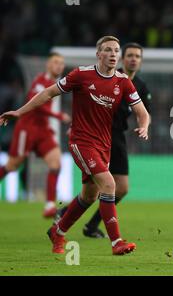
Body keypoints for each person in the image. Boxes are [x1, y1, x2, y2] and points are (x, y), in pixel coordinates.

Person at [0, 36, 150, 255]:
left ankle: (57, 231)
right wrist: (20, 112)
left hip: (104, 144)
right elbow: (48, 92)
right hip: (81, 141)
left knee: (89, 195)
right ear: (98, 54)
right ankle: (116, 241)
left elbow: (142, 113)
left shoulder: (123, 82)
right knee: (109, 185)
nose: (112, 54)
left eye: (116, 51)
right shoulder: (81, 75)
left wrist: (144, 126)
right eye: (107, 50)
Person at [56, 42, 152, 238]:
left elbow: (144, 112)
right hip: (94, 136)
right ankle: (110, 238)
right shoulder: (108, 75)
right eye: (130, 55)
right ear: (122, 59)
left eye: (137, 56)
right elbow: (89, 105)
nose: (133, 59)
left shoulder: (139, 86)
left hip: (117, 138)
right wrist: (77, 126)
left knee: (119, 188)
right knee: (103, 187)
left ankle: (81, 223)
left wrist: (144, 126)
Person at [0, 53, 71, 217]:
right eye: (55, 62)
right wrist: (58, 116)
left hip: (43, 131)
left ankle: (49, 205)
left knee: (56, 163)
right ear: (48, 65)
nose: (59, 66)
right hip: (27, 129)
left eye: (61, 63)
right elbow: (37, 105)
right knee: (12, 166)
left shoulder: (55, 83)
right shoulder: (40, 81)